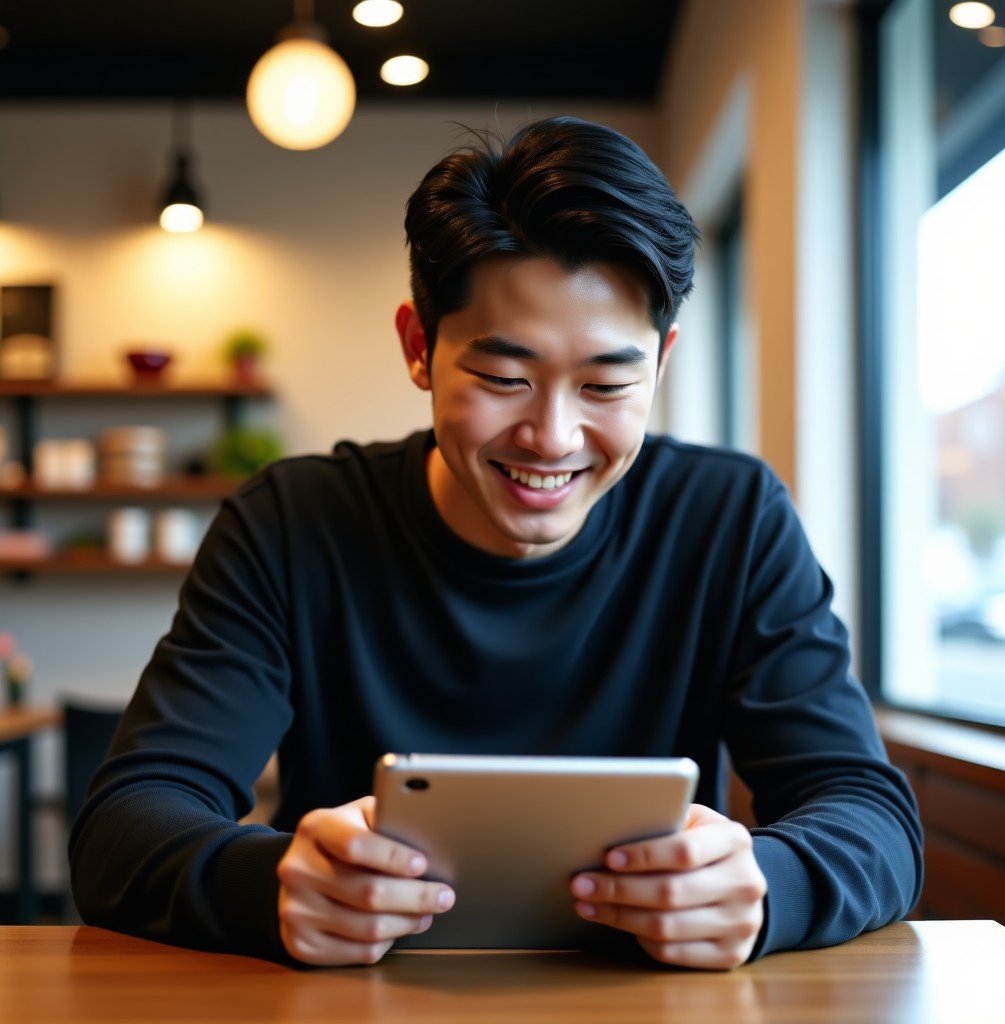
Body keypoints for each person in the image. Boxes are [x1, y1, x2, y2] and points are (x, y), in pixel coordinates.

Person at [69, 116, 923, 970]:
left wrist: (770, 885)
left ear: (660, 364)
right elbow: (126, 826)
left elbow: (869, 813)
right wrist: (271, 883)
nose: (552, 437)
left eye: (606, 383)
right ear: (418, 347)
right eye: (503, 378)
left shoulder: (729, 518)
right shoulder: (293, 522)